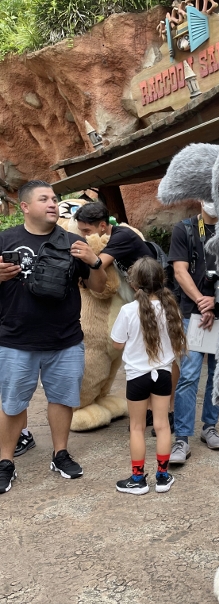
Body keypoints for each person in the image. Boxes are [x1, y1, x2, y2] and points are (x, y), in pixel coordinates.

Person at [0, 180, 107, 494]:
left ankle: (60, 454)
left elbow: (99, 288)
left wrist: (94, 260)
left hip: (65, 339)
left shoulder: (73, 242)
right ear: (25, 207)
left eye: (54, 198)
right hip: (15, 339)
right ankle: (5, 461)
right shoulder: (5, 239)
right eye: (44, 198)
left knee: (62, 400)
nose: (52, 203)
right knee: (12, 404)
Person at [74, 200, 178, 432]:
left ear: (102, 226)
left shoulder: (122, 236)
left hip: (157, 301)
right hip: (141, 302)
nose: (84, 236)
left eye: (87, 231)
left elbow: (99, 264)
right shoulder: (110, 237)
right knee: (150, 356)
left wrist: (86, 257)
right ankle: (153, 409)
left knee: (166, 357)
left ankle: (169, 410)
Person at [111, 257, 187, 495]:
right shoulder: (170, 308)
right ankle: (162, 477)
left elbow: (117, 343)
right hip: (162, 374)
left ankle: (138, 479)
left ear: (133, 283)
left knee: (137, 427)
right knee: (163, 426)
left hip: (137, 377)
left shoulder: (127, 310)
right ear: (162, 280)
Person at [168, 199, 219, 464]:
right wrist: (203, 302)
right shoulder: (185, 229)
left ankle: (209, 427)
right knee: (189, 375)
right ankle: (182, 438)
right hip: (192, 315)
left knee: (218, 374)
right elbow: (180, 271)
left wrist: (216, 302)